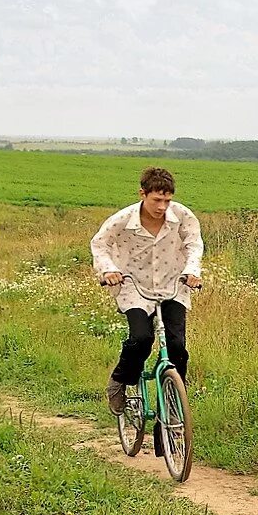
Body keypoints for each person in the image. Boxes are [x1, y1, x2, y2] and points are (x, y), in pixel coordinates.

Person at [91, 166, 203, 415]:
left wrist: (193, 271)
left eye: (167, 200)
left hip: (173, 284)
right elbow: (100, 244)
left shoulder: (183, 216)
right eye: (157, 200)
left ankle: (174, 410)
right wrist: (108, 270)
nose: (162, 206)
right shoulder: (123, 219)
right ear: (142, 193)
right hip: (134, 285)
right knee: (141, 339)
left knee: (177, 346)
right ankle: (119, 381)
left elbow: (193, 243)